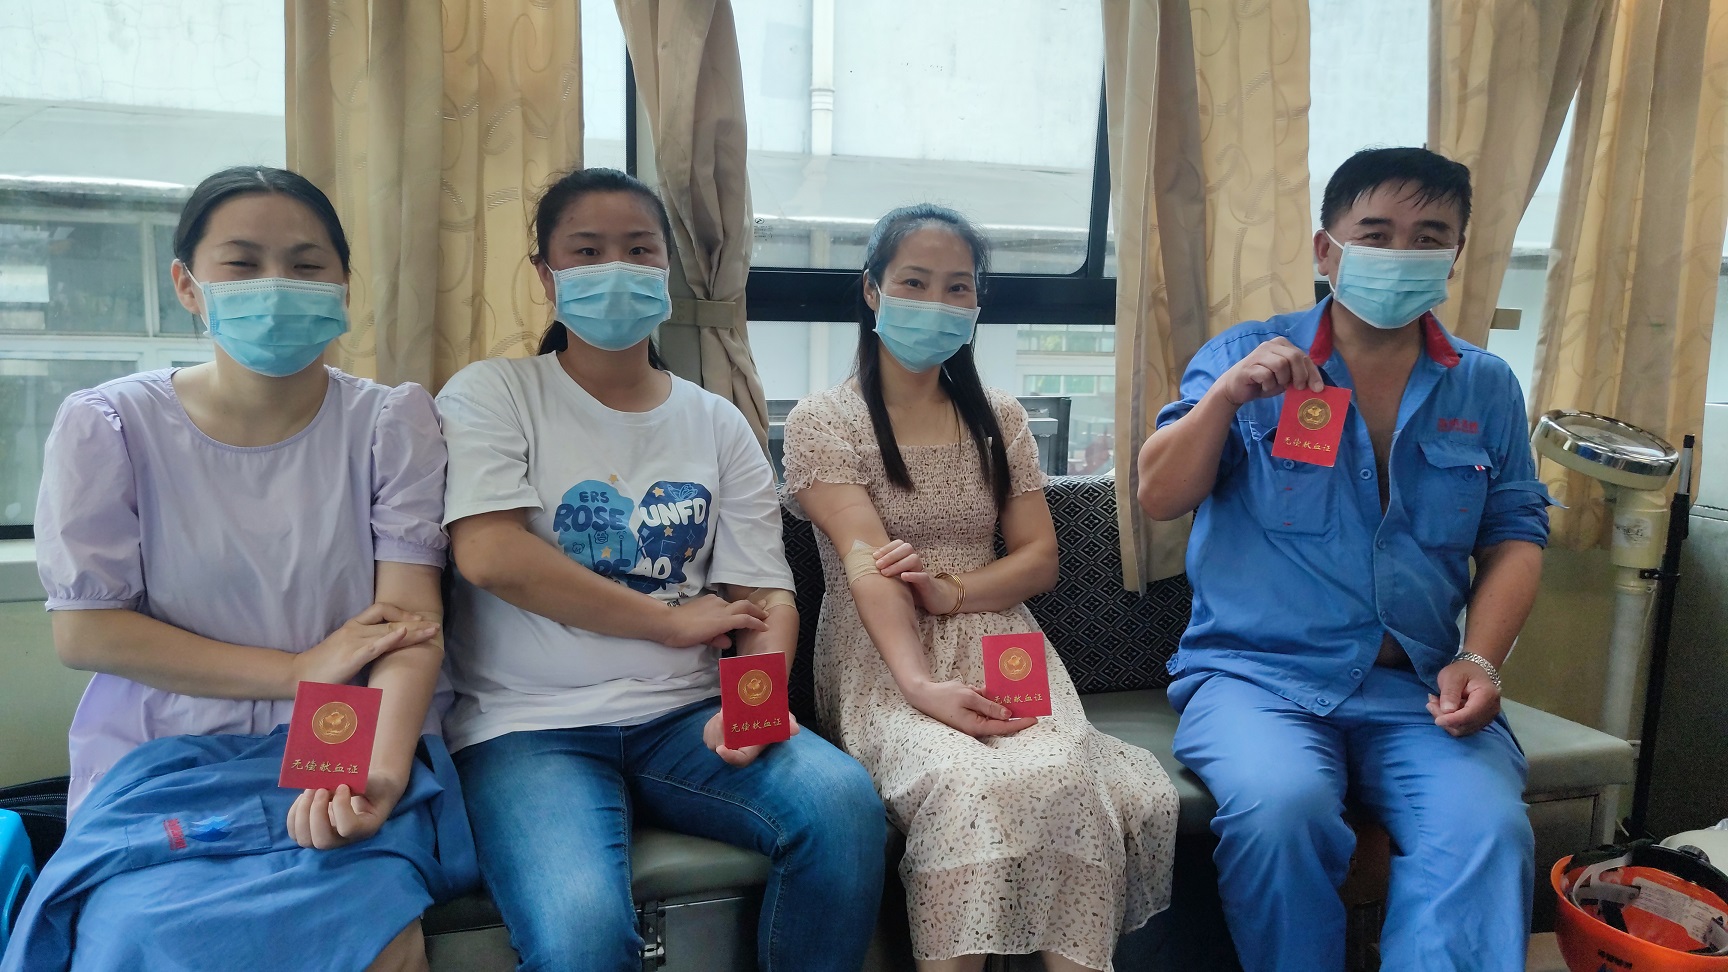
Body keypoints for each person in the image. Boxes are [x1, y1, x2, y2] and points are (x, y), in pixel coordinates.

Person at [3, 166, 475, 972]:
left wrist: (380, 775)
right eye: (243, 263)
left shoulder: (391, 423)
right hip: (165, 755)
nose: (276, 285)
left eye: (305, 264)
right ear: (187, 285)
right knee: (140, 936)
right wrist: (295, 670)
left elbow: (409, 626)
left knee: (369, 939)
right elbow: (88, 633)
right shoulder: (110, 426)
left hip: (342, 736)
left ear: (344, 285)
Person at [436, 167, 886, 972]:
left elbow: (764, 593)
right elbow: (492, 554)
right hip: (527, 729)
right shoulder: (493, 394)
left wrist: (753, 711)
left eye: (639, 249)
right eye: (587, 250)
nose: (615, 267)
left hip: (685, 717)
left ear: (667, 270)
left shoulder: (716, 421)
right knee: (580, 933)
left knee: (842, 804)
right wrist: (669, 622)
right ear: (545, 274)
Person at [1136, 147, 1551, 972]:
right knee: (1280, 810)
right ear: (1327, 250)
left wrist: (1480, 660)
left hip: (1416, 689)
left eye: (1428, 236)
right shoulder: (1245, 356)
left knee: (1488, 828)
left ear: (1454, 256)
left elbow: (1514, 535)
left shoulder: (1485, 385)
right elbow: (1159, 494)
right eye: (1377, 232)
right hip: (1259, 680)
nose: (1401, 253)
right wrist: (1226, 398)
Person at [785, 204, 1179, 972]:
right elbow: (867, 562)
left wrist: (953, 591)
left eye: (957, 287)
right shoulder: (823, 419)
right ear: (872, 290)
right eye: (914, 282)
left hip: (1004, 643)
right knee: (968, 786)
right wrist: (920, 684)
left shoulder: (1001, 418)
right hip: (883, 658)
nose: (936, 302)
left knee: (1063, 779)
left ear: (976, 304)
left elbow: (1039, 559)